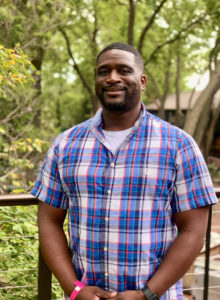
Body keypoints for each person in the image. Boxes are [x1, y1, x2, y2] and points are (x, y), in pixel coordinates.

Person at [31, 42, 218, 300]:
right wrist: (74, 290)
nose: (112, 78)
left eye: (123, 70)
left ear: (142, 81)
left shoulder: (178, 145)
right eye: (103, 71)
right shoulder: (65, 144)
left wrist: (147, 294)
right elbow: (49, 221)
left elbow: (194, 232)